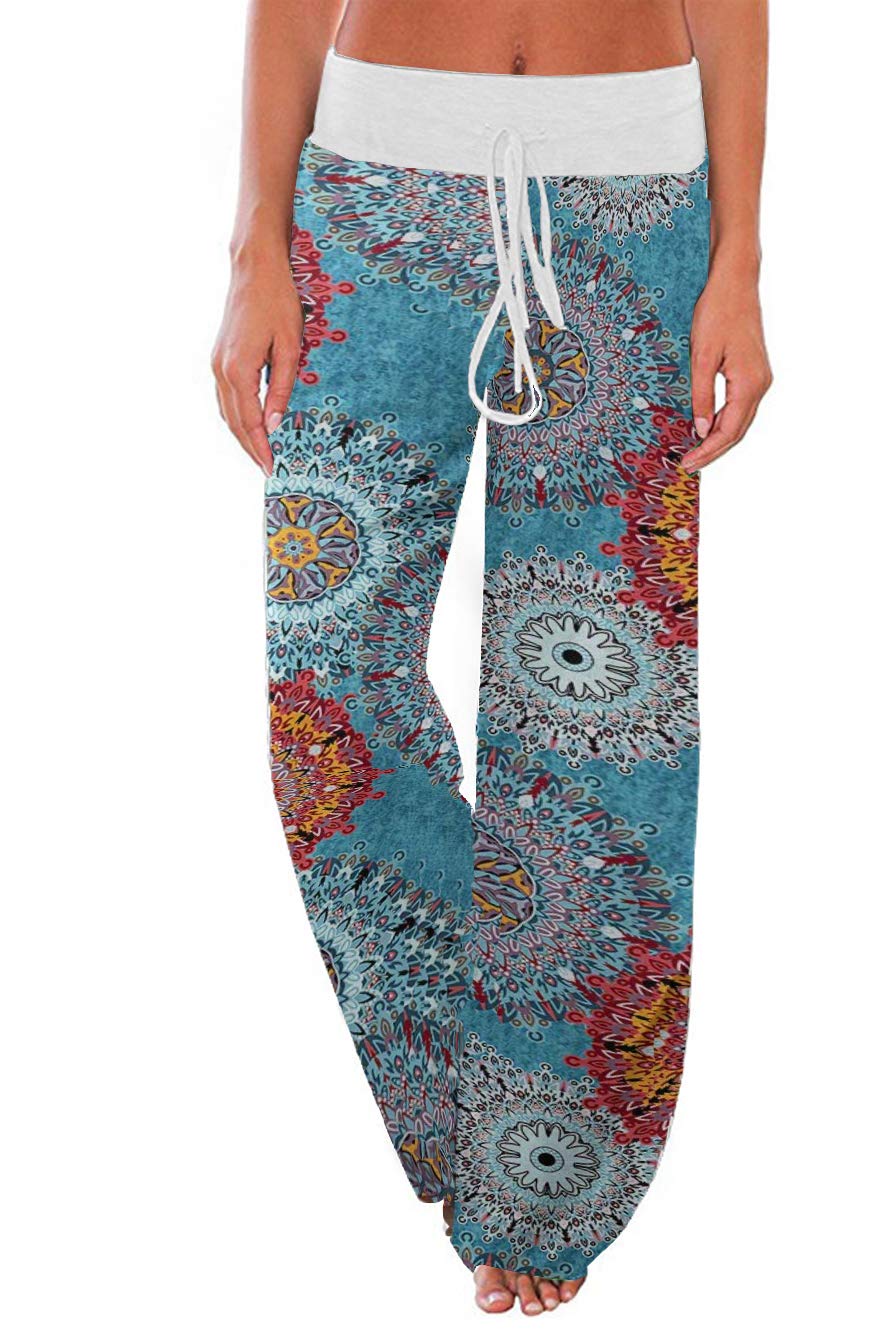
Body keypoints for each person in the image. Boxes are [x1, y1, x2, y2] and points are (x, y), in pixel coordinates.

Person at [212, 0, 771, 1316]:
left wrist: (739, 257)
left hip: (631, 197)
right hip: (377, 186)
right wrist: (254, 243)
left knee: (599, 734)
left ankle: (547, 1175)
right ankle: (502, 1110)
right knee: (327, 694)